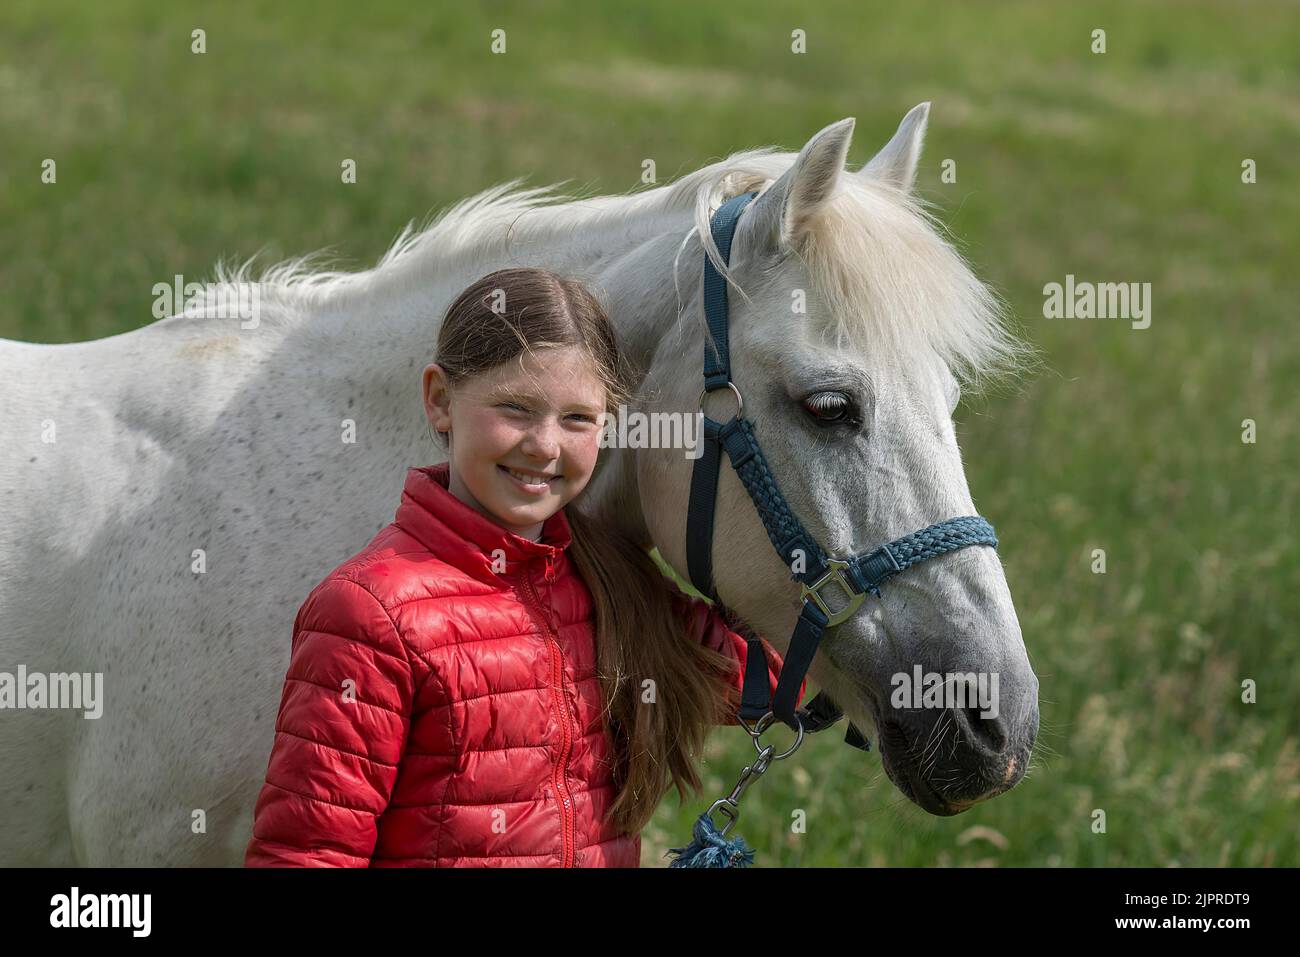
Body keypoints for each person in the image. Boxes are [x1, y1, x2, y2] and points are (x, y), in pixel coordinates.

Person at [244, 266, 802, 867]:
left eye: (578, 419)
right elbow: (307, 854)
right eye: (515, 407)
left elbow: (774, 673)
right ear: (439, 400)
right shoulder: (369, 613)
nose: (544, 445)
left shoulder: (608, 581)